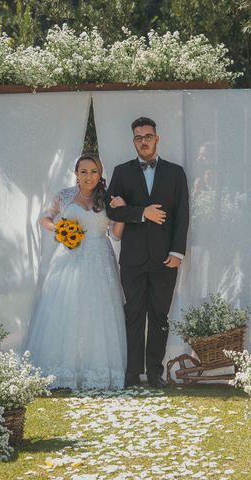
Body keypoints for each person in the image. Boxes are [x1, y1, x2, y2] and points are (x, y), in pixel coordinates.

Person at [25, 154, 127, 390]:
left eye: (93, 171)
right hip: (68, 259)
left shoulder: (108, 197)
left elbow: (117, 235)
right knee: (66, 311)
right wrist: (60, 229)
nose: (88, 176)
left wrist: (122, 213)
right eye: (84, 171)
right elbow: (45, 218)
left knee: (98, 314)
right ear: (76, 173)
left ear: (100, 173)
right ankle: (63, 372)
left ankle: (94, 371)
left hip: (100, 258)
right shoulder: (65, 195)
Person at [106, 117, 189, 389]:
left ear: (157, 138)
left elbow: (182, 216)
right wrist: (143, 212)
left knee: (159, 317)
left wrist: (178, 252)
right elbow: (112, 210)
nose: (144, 141)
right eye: (139, 137)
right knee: (133, 316)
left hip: (165, 257)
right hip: (132, 258)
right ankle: (132, 374)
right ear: (133, 142)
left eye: (148, 136)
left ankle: (154, 373)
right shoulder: (121, 172)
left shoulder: (176, 173)